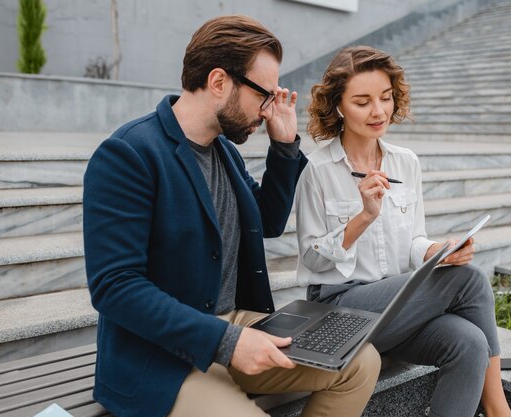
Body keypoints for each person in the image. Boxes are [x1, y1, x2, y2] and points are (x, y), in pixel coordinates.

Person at [83, 17, 380, 417]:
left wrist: (285, 145)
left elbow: (268, 223)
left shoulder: (224, 151)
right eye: (264, 94)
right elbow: (115, 287)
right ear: (219, 82)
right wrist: (227, 340)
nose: (269, 107)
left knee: (362, 362)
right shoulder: (128, 154)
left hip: (234, 325)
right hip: (158, 355)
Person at [295, 45, 511, 417]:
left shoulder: (406, 162)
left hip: (398, 307)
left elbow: (413, 239)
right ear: (338, 107)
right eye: (363, 101)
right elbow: (312, 259)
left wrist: (435, 250)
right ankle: (498, 410)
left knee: (471, 343)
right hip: (339, 311)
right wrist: (363, 216)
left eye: (385, 98)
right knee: (471, 281)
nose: (378, 111)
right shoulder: (318, 170)